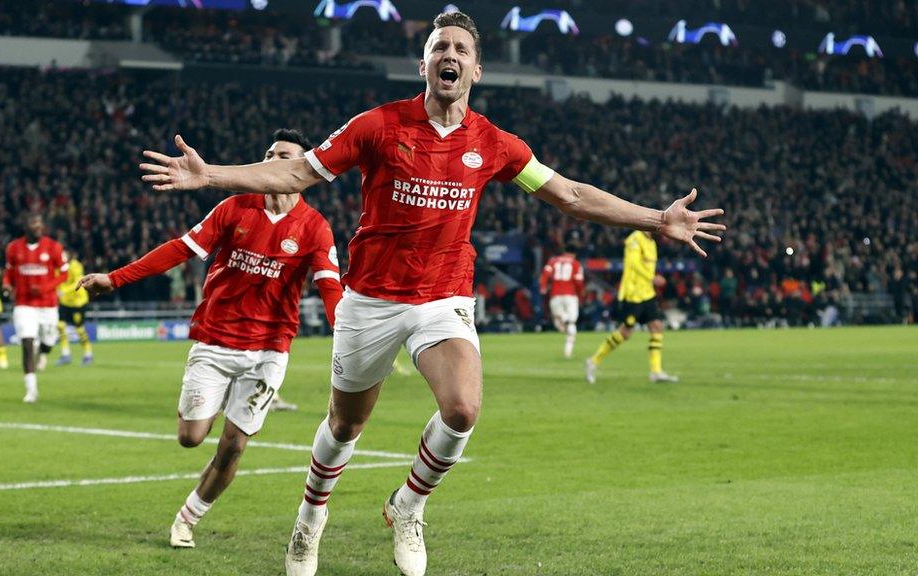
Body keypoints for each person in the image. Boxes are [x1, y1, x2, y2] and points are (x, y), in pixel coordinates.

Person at [137, 12, 724, 576]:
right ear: (423, 65)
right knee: (344, 427)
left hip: (442, 298)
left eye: (461, 50)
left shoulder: (494, 143)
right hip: (370, 298)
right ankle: (310, 516)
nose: (450, 55)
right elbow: (297, 175)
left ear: (477, 70)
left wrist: (654, 218)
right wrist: (209, 174)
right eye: (439, 48)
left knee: (463, 408)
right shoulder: (378, 126)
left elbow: (568, 194)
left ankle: (409, 506)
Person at [79, 129, 343, 549]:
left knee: (234, 446)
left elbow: (331, 287)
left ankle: (187, 519)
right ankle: (218, 397)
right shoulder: (235, 207)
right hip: (216, 341)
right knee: (191, 437)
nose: (275, 160)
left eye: (285, 156)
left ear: (302, 168)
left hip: (268, 352)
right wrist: (115, 278)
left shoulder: (314, 228)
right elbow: (179, 249)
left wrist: (346, 335)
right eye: (270, 153)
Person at [586, 230, 678, 383]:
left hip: (647, 293)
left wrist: (651, 280)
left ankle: (656, 372)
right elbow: (633, 263)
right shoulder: (634, 238)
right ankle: (593, 361)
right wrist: (652, 277)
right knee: (625, 332)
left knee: (656, 327)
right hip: (632, 294)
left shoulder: (652, 243)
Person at [3, 213, 68, 403]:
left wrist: (44, 288)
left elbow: (64, 274)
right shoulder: (14, 248)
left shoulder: (54, 247)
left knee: (48, 342)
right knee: (27, 343)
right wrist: (7, 284)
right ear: (26, 227)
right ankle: (31, 390)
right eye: (34, 224)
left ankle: (44, 352)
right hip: (24, 304)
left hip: (48, 305)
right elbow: (8, 273)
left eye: (40, 224)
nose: (38, 227)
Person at [539, 244, 585, 358]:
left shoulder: (553, 261)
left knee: (560, 324)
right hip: (570, 296)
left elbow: (545, 274)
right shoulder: (576, 264)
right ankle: (568, 351)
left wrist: (543, 287)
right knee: (571, 323)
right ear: (574, 254)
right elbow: (579, 282)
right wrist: (579, 296)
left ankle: (562, 319)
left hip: (555, 295)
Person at [56, 248, 94, 366]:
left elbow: (78, 282)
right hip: (65, 302)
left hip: (78, 302)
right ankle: (65, 354)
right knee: (61, 326)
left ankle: (88, 354)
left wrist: (63, 291)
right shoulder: (58, 267)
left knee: (79, 329)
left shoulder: (76, 266)